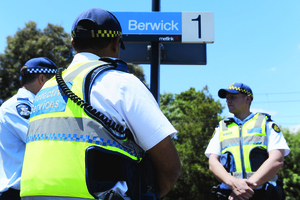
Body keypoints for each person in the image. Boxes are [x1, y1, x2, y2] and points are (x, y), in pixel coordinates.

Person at [20, 8, 181, 200]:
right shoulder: (122, 83)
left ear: (73, 44)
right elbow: (170, 168)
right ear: (116, 44)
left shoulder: (45, 90)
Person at [205, 83, 290, 200]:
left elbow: (277, 160)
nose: (228, 101)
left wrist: (243, 189)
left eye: (233, 97)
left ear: (248, 99)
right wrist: (234, 184)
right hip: (229, 194)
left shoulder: (266, 123)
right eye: (227, 98)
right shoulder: (221, 127)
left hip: (262, 195)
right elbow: (213, 163)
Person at [0, 57, 58, 200]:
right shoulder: (18, 107)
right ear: (42, 79)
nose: (59, 87)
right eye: (56, 82)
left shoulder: (37, 105)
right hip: (17, 194)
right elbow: (44, 141)